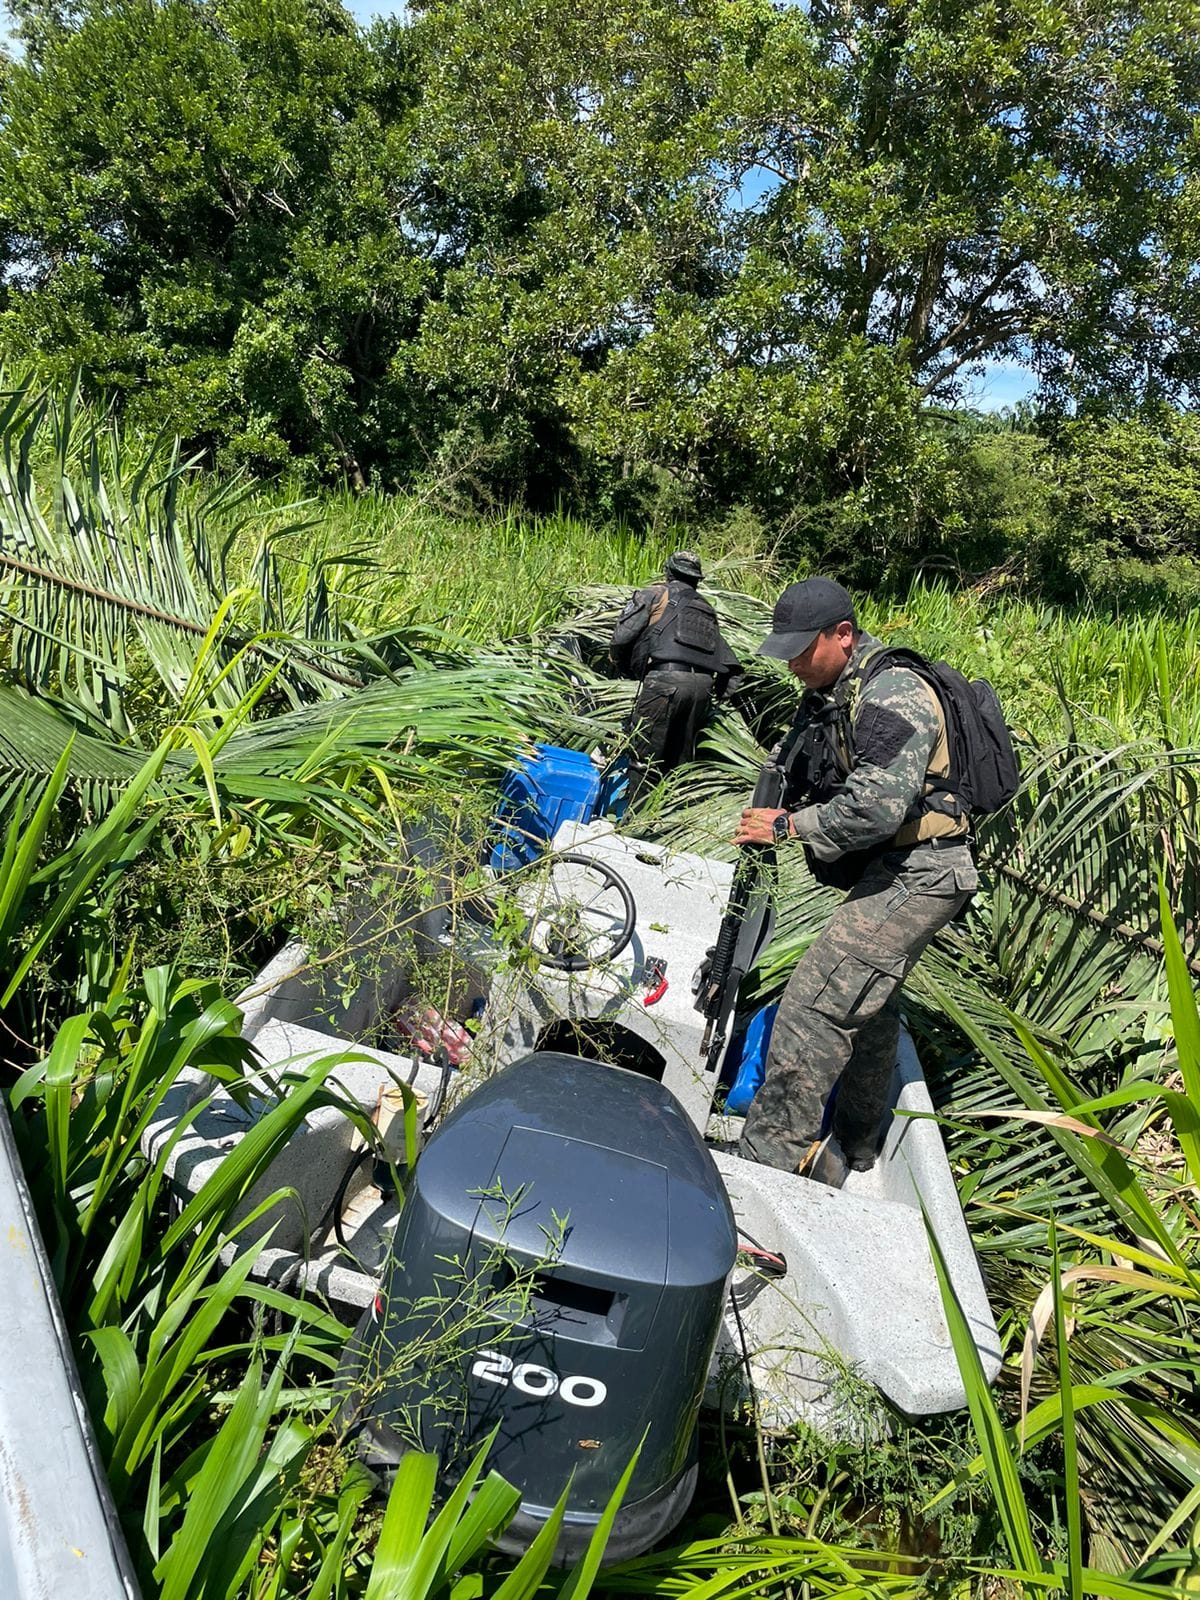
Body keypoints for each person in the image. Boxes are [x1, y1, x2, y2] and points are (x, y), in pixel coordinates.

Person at [733, 577, 977, 1184]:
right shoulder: (837, 691)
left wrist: (788, 827)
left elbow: (877, 807)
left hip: (923, 869)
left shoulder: (894, 692)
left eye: (800, 648)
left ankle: (766, 1170)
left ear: (843, 635)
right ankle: (856, 1144)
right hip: (899, 867)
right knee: (866, 1006)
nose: (790, 662)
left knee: (813, 1008)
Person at [610, 551, 743, 801]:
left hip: (665, 683)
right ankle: (670, 824)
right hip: (702, 688)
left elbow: (621, 637)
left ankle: (634, 825)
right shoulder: (706, 609)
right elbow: (729, 662)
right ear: (697, 579)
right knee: (677, 766)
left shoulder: (654, 594)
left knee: (643, 760)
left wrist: (622, 667)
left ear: (668, 571)